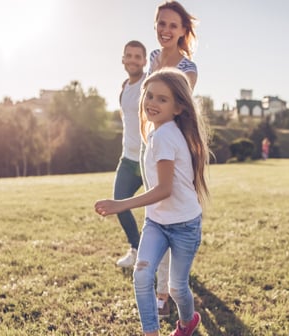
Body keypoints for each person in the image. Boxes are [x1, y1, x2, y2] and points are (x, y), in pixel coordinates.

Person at [95, 68, 210, 336]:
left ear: (179, 107)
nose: (152, 103)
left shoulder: (166, 136)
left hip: (184, 225)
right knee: (143, 276)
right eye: (150, 96)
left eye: (162, 99)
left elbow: (164, 190)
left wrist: (120, 204)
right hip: (157, 223)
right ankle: (151, 332)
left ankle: (186, 322)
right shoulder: (157, 133)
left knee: (177, 288)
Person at [147, 0, 199, 318]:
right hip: (151, 144)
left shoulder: (188, 69)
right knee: (156, 215)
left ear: (182, 32)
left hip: (175, 148)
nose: (166, 30)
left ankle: (164, 295)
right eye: (161, 23)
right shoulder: (153, 58)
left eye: (173, 26)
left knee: (168, 215)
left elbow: (174, 109)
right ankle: (166, 288)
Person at [113, 40, 148, 268]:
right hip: (128, 158)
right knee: (119, 203)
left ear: (144, 61)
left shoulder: (149, 83)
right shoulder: (124, 87)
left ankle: (162, 257)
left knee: (159, 212)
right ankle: (136, 249)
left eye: (138, 56)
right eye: (129, 56)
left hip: (148, 159)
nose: (133, 60)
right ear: (123, 60)